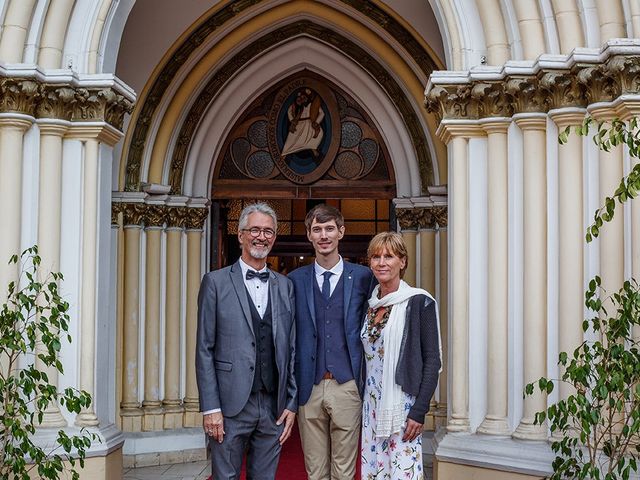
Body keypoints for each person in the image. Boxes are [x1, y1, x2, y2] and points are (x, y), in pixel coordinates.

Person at [195, 202, 297, 480]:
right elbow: (204, 349)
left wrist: (290, 402)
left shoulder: (285, 285)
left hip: (272, 406)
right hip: (229, 405)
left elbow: (291, 348)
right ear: (240, 235)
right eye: (254, 230)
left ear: (274, 238)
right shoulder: (214, 282)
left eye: (268, 231)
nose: (261, 236)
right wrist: (211, 408)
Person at [288, 204, 375, 480]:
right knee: (315, 472)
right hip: (309, 386)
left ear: (341, 232)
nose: (323, 235)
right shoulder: (294, 280)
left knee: (344, 471)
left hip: (347, 384)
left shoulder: (363, 278)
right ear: (309, 235)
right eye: (317, 229)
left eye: (329, 229)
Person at [361, 232, 441, 480]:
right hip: (372, 406)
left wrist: (419, 411)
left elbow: (433, 361)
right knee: (375, 470)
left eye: (389, 256)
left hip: (402, 406)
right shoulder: (371, 304)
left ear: (402, 261)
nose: (381, 262)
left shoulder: (419, 302)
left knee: (401, 471)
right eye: (375, 257)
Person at [281, 88, 324, 158]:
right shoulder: (298, 105)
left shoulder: (312, 105)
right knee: (291, 138)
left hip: (310, 123)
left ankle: (312, 148)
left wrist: (317, 122)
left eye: (304, 97)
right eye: (301, 97)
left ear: (308, 98)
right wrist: (292, 120)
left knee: (318, 134)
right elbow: (289, 111)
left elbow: (322, 113)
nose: (303, 99)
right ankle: (285, 153)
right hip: (299, 124)